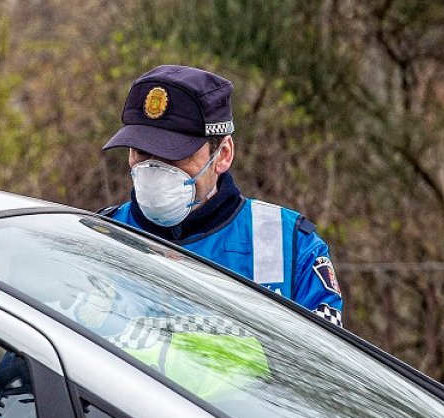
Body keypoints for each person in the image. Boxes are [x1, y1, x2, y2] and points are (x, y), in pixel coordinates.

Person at [100, 64, 345, 327]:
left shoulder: (288, 244)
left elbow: (320, 362)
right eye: (141, 152)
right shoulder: (100, 237)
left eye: (175, 155)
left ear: (223, 155)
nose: (156, 168)